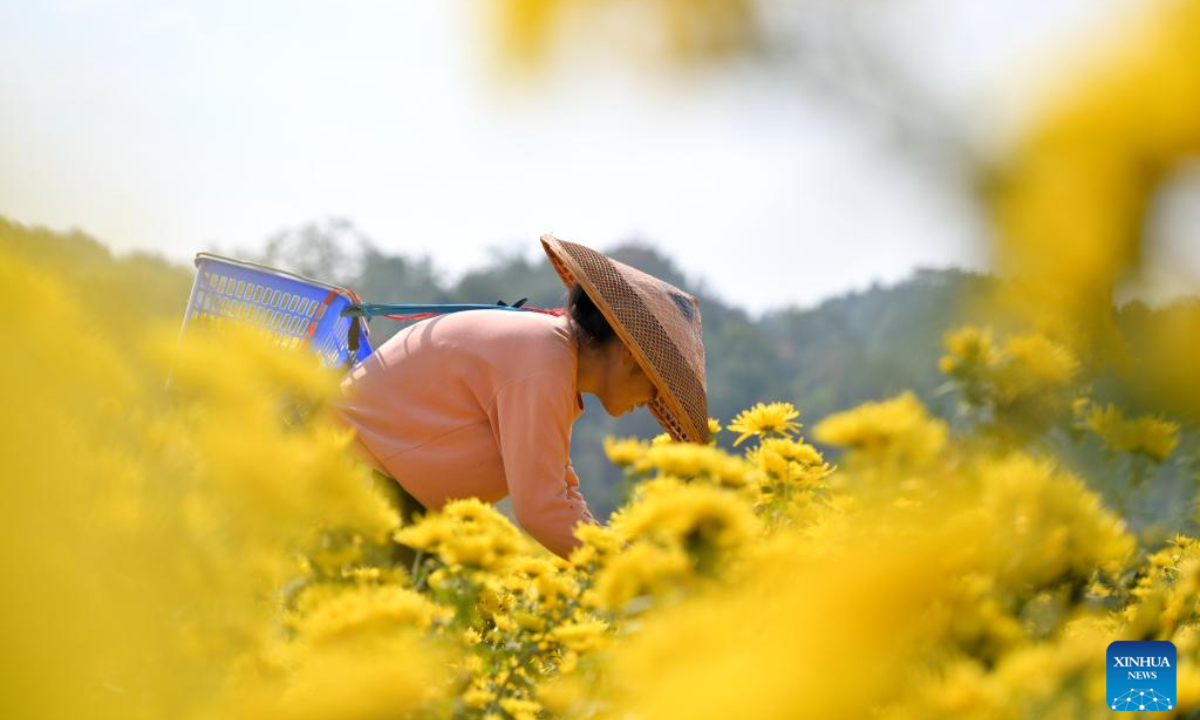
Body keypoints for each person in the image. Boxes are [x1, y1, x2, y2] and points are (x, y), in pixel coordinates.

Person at [334, 234, 710, 560]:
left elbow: (558, 490)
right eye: (655, 386)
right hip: (353, 479)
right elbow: (541, 510)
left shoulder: (552, 360)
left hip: (382, 491)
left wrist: (617, 554)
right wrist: (630, 575)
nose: (648, 401)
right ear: (628, 355)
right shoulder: (543, 363)